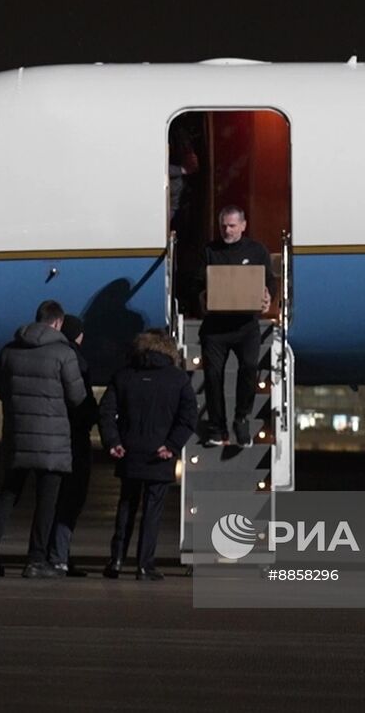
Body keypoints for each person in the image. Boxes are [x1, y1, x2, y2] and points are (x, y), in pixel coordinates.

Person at [0, 300, 85, 578]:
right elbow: (77, 397)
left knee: (8, 494)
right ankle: (36, 561)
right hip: (52, 441)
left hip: (17, 434)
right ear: (58, 322)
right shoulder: (64, 353)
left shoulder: (9, 350)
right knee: (46, 502)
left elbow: (0, 389)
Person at [100, 330, 197, 580]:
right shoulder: (178, 379)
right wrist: (172, 445)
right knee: (152, 512)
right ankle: (144, 565)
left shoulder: (123, 376)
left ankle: (117, 560)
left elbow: (106, 412)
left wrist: (113, 441)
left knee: (126, 507)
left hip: (129, 451)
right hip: (160, 455)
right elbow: (188, 418)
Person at [198, 205, 274, 445]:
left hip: (246, 325)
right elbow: (196, 282)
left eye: (232, 225)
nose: (227, 230)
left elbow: (268, 280)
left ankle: (241, 419)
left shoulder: (257, 250)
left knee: (250, 368)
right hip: (215, 327)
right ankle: (217, 426)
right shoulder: (210, 251)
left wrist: (268, 296)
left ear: (243, 225)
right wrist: (202, 296)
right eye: (223, 226)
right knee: (213, 375)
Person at [46, 314, 98, 576]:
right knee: (71, 499)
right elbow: (81, 402)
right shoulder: (75, 359)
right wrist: (93, 417)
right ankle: (59, 556)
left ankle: (52, 554)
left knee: (53, 499)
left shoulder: (47, 355)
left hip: (51, 438)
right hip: (73, 438)